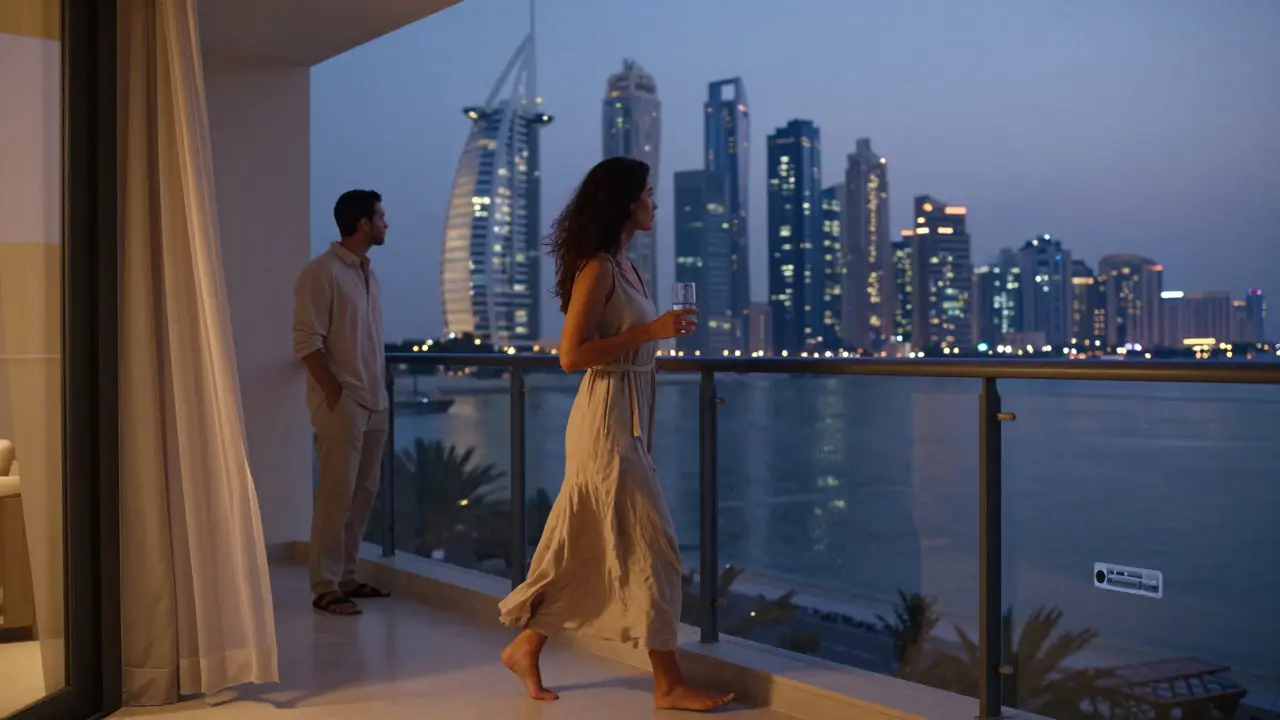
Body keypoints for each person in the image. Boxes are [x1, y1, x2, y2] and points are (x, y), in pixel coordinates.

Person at [498, 158, 734, 711]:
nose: (655, 203)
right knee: (657, 548)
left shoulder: (629, 266)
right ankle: (668, 682)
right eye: (648, 194)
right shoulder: (598, 268)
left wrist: (647, 402)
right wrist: (652, 331)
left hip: (627, 420)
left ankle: (526, 647)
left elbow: (635, 354)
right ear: (628, 203)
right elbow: (571, 355)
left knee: (583, 542)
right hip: (602, 421)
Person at [292, 189, 392, 616]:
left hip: (375, 401)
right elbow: (306, 340)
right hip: (345, 402)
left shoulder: (369, 274)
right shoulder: (322, 273)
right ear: (363, 223)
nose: (387, 224)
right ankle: (325, 585)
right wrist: (334, 393)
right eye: (381, 217)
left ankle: (349, 574)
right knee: (336, 494)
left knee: (363, 493)